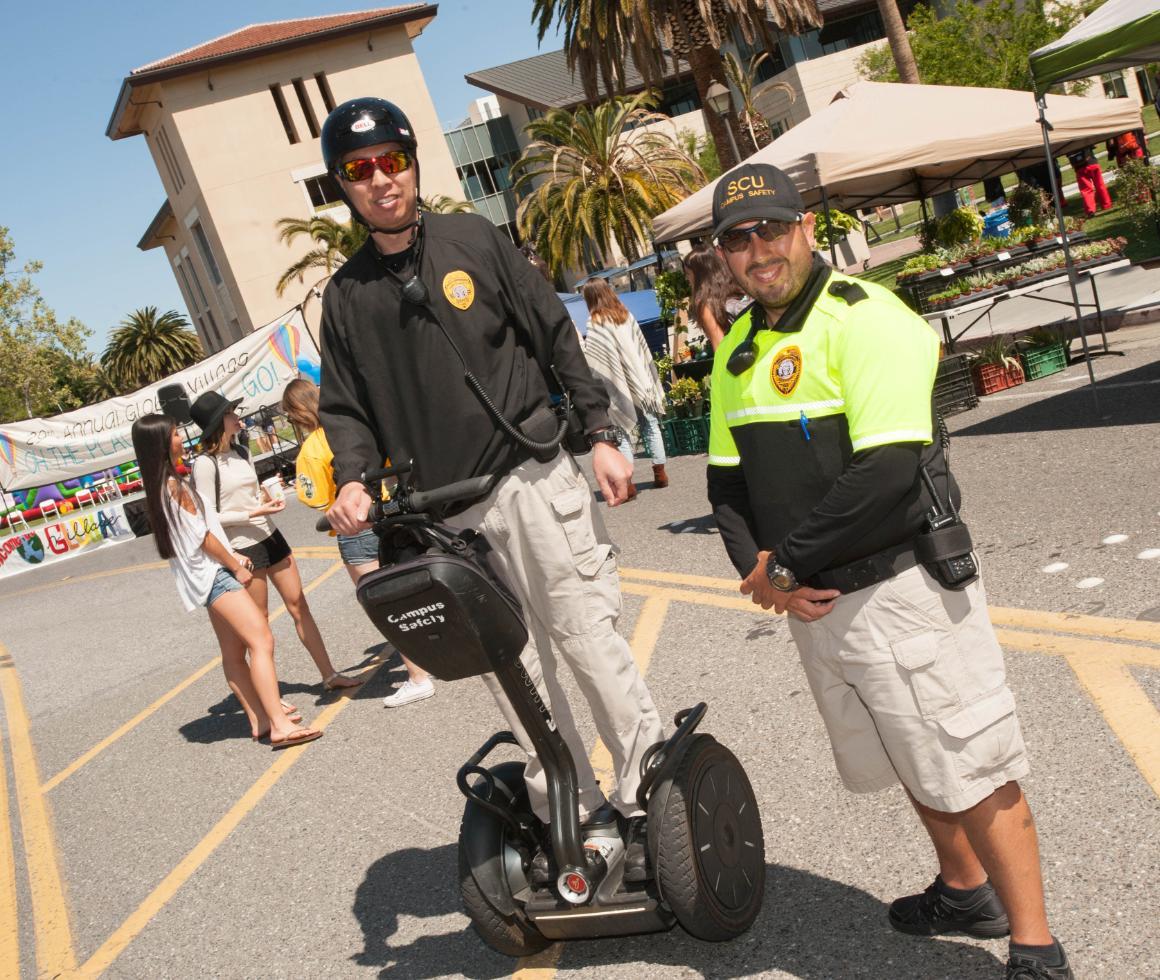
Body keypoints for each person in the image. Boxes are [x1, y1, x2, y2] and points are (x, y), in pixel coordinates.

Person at [705, 163, 1073, 980]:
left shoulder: (867, 319)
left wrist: (786, 565)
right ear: (724, 256)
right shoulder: (737, 348)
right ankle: (963, 888)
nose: (758, 250)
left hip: (901, 590)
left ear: (805, 230)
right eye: (739, 239)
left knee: (969, 761)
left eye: (771, 229)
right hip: (816, 606)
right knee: (909, 755)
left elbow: (887, 471)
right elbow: (725, 484)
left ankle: (1038, 948)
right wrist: (757, 571)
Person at [315, 97, 664, 878]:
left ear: (413, 162)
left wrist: (602, 433)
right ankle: (576, 815)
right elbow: (344, 409)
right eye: (360, 170)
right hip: (445, 523)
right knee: (517, 673)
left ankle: (649, 793)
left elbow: (553, 334)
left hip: (531, 479)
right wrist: (355, 482)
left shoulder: (476, 238)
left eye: (392, 162)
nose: (380, 181)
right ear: (344, 184)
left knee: (584, 637)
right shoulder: (345, 298)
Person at [130, 414, 322, 748]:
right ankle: (278, 723)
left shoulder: (164, 484)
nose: (181, 437)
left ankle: (260, 719)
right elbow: (201, 536)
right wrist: (234, 564)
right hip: (215, 574)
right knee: (261, 641)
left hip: (204, 577)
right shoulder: (173, 486)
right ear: (162, 442)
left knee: (233, 652)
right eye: (175, 433)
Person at [189, 392, 363, 696]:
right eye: (231, 412)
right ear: (219, 422)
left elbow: (249, 495)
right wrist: (252, 511)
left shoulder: (242, 452)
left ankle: (329, 674)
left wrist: (267, 499)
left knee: (299, 606)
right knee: (259, 624)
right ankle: (271, 698)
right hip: (242, 547)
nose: (237, 416)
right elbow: (208, 518)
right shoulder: (204, 464)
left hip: (270, 535)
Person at [281, 379, 435, 708]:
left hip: (353, 530)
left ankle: (417, 676)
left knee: (384, 605)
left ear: (298, 413)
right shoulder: (356, 432)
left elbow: (313, 497)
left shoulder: (311, 449)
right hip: (386, 514)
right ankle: (434, 656)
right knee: (414, 587)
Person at [579, 278, 670, 495]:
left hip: (617, 386)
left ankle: (628, 484)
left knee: (621, 433)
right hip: (641, 383)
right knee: (651, 425)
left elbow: (595, 362)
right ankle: (660, 473)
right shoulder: (626, 316)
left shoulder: (595, 324)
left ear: (590, 298)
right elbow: (641, 347)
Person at [682, 243, 748, 350]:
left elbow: (720, 347)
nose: (686, 279)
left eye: (688, 274)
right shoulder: (738, 287)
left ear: (700, 275)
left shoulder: (705, 304)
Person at [1066, 146, 1112, 217]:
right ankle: (1106, 204)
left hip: (1079, 168)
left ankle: (1090, 210)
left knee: (1086, 190)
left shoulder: (1067, 144)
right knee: (1100, 185)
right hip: (1092, 163)